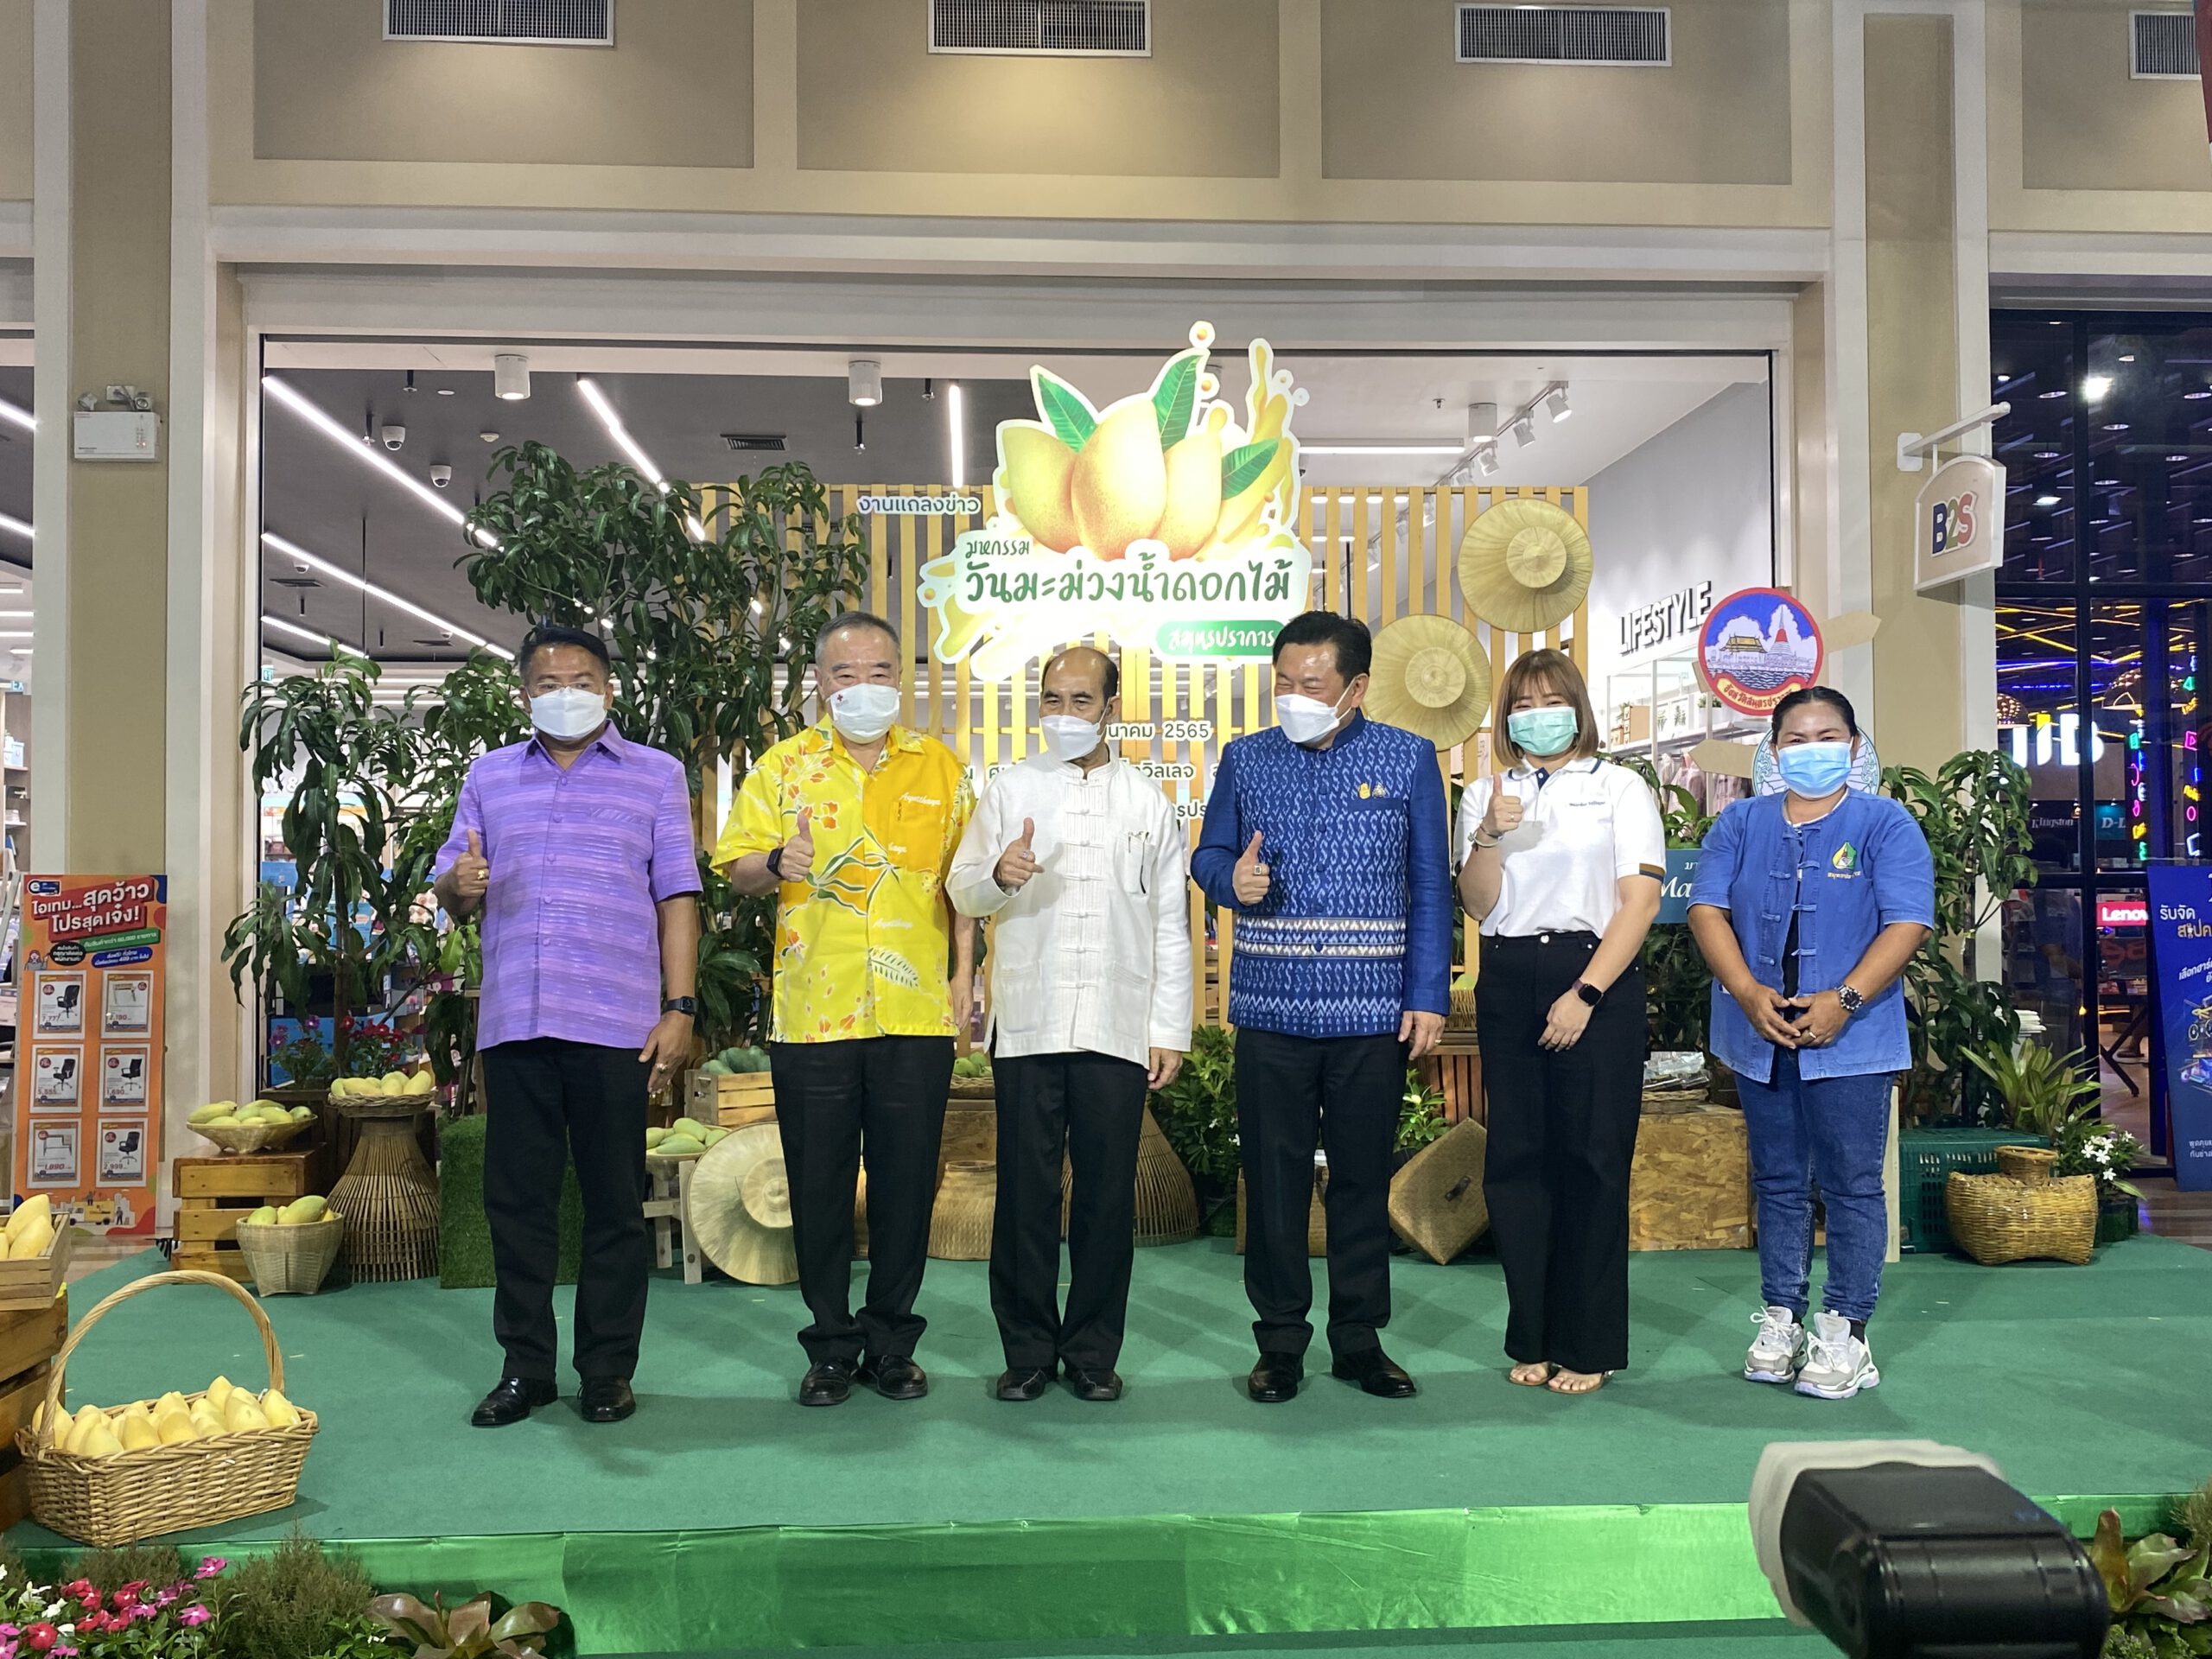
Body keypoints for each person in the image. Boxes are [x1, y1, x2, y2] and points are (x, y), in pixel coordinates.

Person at [432, 623, 702, 1428]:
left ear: (609, 689)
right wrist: (459, 884)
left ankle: (607, 1371)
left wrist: (680, 1007)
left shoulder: (655, 775)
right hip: (516, 1022)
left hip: (617, 1024)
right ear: (524, 695)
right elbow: (452, 886)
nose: (566, 695)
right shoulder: (490, 776)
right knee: (518, 1204)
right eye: (548, 684)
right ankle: (526, 1369)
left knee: (614, 1204)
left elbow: (677, 897)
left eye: (582, 681)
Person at [715, 613, 976, 1408]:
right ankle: (830, 1345)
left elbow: (965, 888)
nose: (863, 686)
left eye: (879, 671)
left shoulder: (941, 767)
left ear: (901, 678)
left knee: (906, 1184)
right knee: (819, 1185)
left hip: (915, 1010)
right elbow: (736, 869)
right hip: (813, 1013)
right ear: (820, 683)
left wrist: (967, 978)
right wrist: (777, 860)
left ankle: (893, 1343)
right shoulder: (783, 767)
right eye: (845, 674)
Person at [1192, 612, 1450, 1403]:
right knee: (1272, 1184)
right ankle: (1279, 1345)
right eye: (1284, 682)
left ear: (1356, 687)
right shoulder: (1246, 758)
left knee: (1361, 1183)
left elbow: (1430, 885)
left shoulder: (1407, 758)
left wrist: (1427, 995)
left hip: (1372, 1015)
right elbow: (1208, 854)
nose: (1293, 697)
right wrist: (1229, 880)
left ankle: (1359, 1341)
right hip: (1270, 1012)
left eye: (1312, 683)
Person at [948, 646, 1192, 1403]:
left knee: (1106, 1200)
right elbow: (962, 890)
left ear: (1111, 708)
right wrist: (999, 875)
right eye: (1052, 699)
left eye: (1080, 700)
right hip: (1029, 1021)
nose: (1064, 714)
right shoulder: (1011, 788)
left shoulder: (1147, 802)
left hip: (1118, 1026)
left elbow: (1170, 924)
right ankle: (1026, 1353)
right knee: (1024, 1195)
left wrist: (1169, 1028)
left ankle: (1092, 1354)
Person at [1687, 686, 1932, 1402]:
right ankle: (1782, 1319)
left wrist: (1844, 1000)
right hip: (1760, 1031)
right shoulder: (1739, 822)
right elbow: (1706, 909)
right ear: (1774, 751)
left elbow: (1908, 922)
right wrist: (1746, 992)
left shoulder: (1885, 824)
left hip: (1853, 1037)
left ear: (1853, 748)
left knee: (1852, 1184)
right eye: (1796, 739)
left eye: (1828, 737)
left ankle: (1847, 1332)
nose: (1812, 749)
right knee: (1778, 1181)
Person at [1457, 648, 1662, 1396]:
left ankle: (1590, 1343)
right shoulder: (1487, 793)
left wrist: (1586, 993)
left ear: (1577, 709)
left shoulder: (1619, 787)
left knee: (1592, 1162)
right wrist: (1486, 836)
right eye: (1522, 703)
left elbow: (1640, 901)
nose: (1537, 715)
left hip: (1593, 972)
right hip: (1509, 975)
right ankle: (1534, 1336)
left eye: (1551, 700)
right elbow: (1477, 903)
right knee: (1517, 1164)